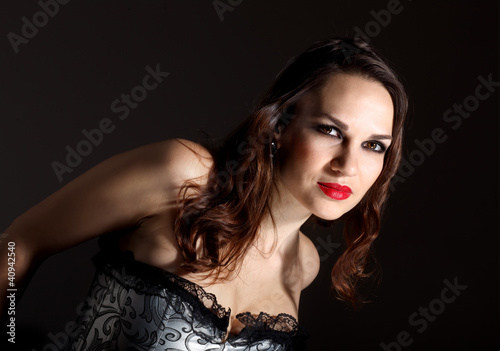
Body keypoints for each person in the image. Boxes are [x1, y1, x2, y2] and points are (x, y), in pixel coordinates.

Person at [1, 37, 407, 350]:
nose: (348, 164)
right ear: (280, 126)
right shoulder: (185, 174)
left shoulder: (305, 264)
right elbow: (22, 240)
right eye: (330, 130)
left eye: (374, 145)